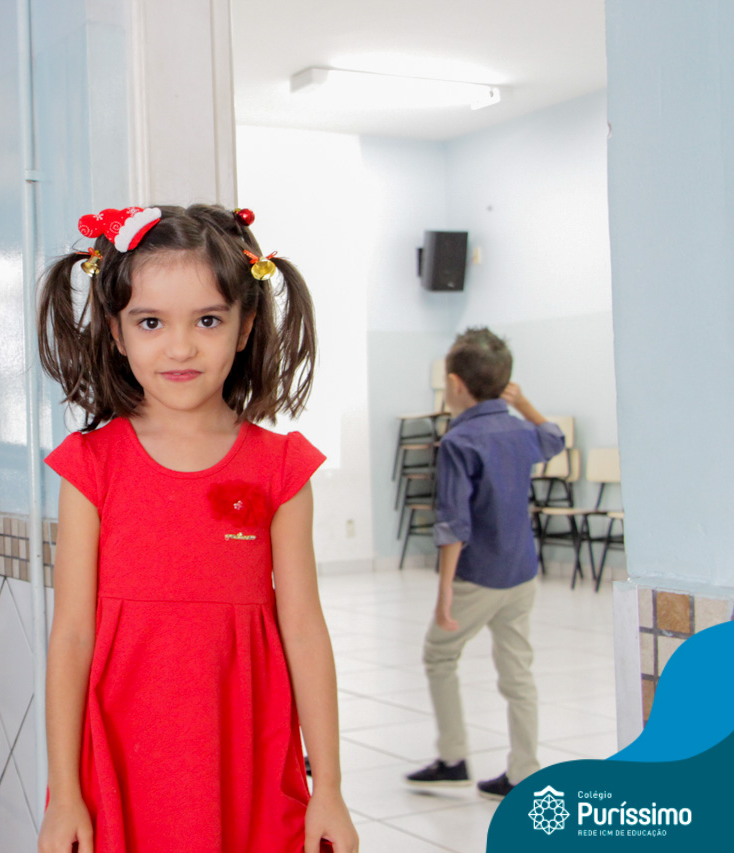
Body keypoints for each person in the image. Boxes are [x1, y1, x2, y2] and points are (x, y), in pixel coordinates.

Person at [35, 204, 358, 853]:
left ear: (243, 328)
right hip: (121, 773)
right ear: (118, 333)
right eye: (150, 321)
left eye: (207, 320)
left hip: (248, 766)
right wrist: (65, 793)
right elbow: (71, 636)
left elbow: (303, 628)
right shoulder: (92, 467)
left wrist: (330, 790)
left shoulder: (282, 469)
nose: (179, 346)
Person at [404, 327, 565, 800]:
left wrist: (444, 592)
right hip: (523, 572)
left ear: (455, 384)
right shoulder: (520, 428)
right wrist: (525, 404)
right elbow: (553, 439)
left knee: (439, 654)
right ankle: (524, 770)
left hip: (480, 575)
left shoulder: (459, 441)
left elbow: (454, 524)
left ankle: (453, 756)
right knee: (518, 671)